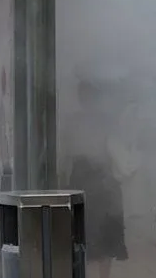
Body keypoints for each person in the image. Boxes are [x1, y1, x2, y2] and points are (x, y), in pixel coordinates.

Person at [64, 77, 128, 278]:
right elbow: (67, 153)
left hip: (102, 183)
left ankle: (102, 276)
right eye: (84, 95)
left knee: (106, 236)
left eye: (90, 95)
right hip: (84, 182)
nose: (87, 99)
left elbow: (117, 152)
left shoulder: (106, 121)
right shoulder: (74, 122)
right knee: (84, 234)